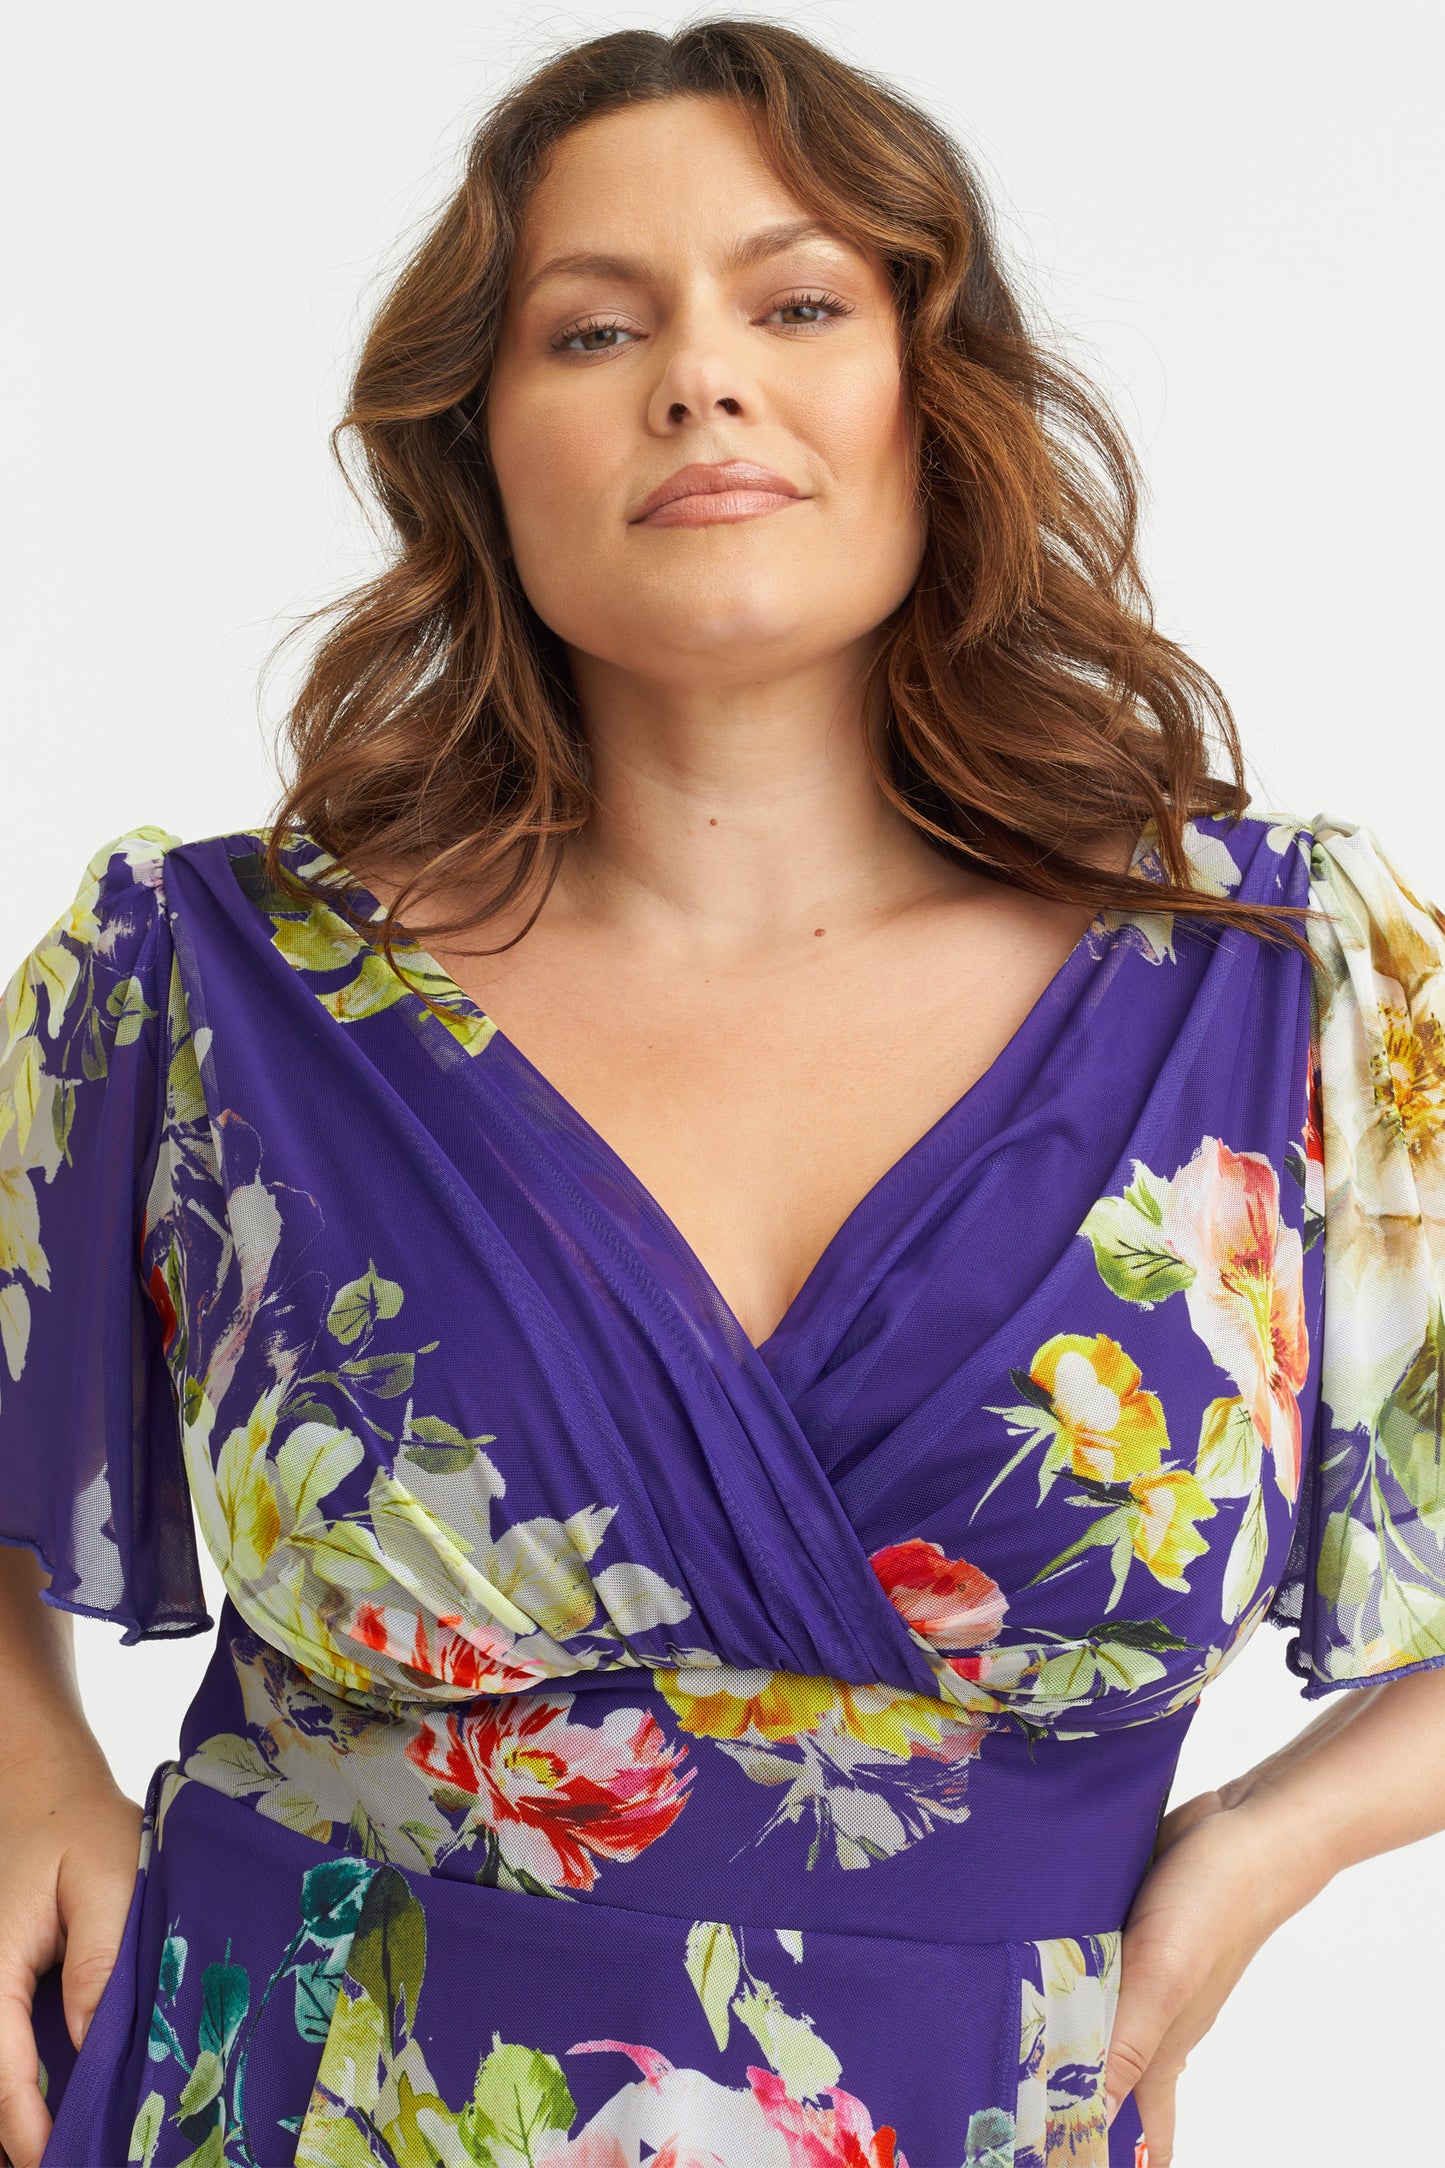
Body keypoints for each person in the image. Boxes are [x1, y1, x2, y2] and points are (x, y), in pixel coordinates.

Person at [1, 20, 1442, 2168]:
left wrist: (1270, 1844)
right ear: (476, 445)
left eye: (797, 304)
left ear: (930, 394)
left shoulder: (1282, 986)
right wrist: (25, 1765)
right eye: (595, 329)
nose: (699, 380)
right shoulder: (207, 985)